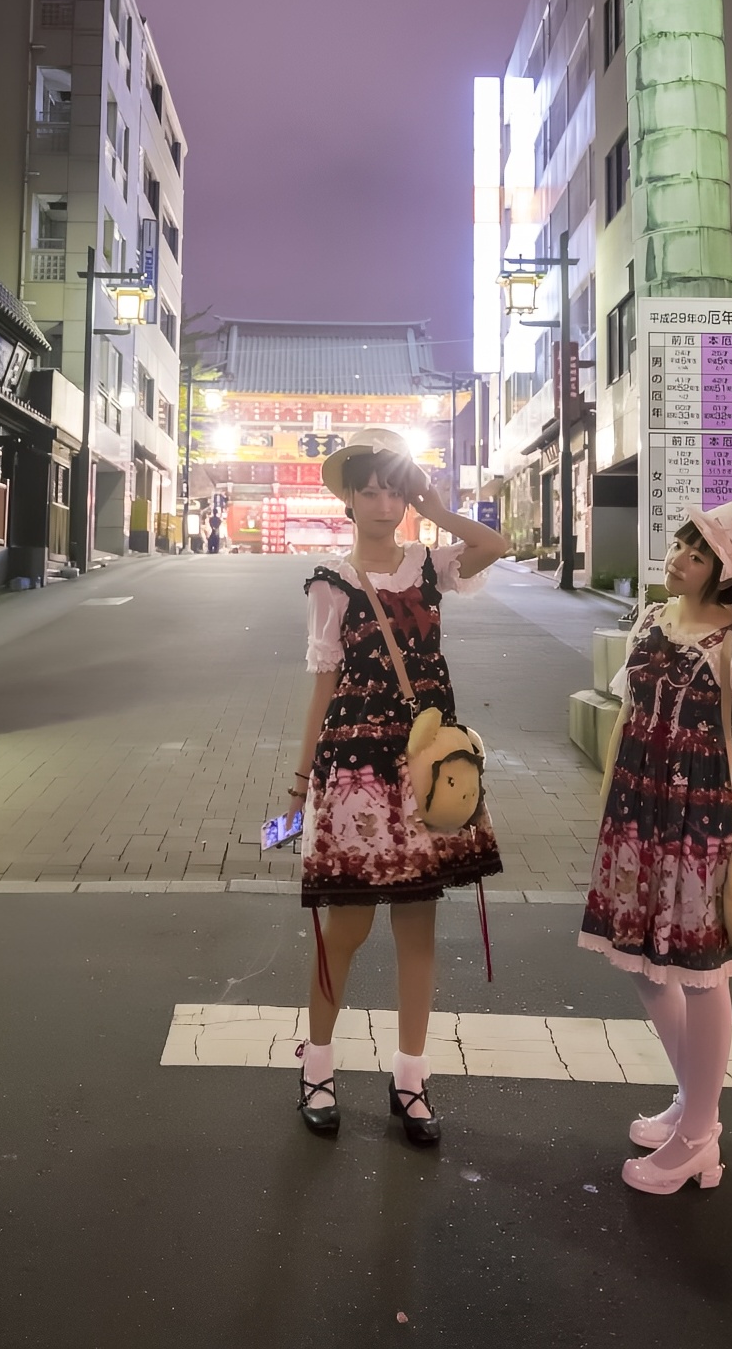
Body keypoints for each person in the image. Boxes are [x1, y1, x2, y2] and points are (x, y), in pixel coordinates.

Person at [283, 427, 508, 1146]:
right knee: (344, 928)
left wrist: (436, 508)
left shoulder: (432, 560)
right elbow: (323, 686)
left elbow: (494, 548)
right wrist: (300, 783)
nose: (381, 501)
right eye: (368, 488)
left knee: (418, 927)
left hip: (425, 763)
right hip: (353, 763)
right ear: (347, 500)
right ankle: (317, 1065)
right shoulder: (330, 579)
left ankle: (410, 1080)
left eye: (391, 487)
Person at [579, 501, 732, 1195]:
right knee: (644, 967)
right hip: (637, 816)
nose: (676, 559)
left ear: (726, 574)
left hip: (703, 824)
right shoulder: (650, 620)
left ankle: (698, 1135)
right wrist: (609, 805)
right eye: (679, 546)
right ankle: (694, 1101)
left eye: (695, 554)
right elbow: (626, 715)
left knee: (701, 975)